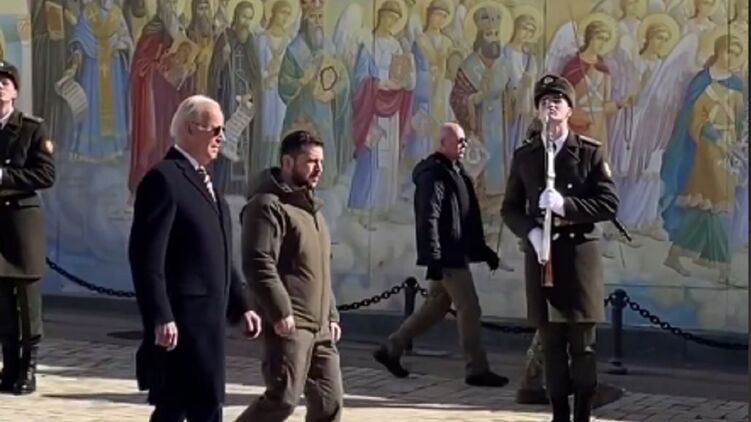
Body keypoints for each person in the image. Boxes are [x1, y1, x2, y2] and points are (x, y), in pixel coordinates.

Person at [128, 95, 262, 422]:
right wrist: (160, 316)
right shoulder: (164, 179)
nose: (222, 137)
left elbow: (218, 253)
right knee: (184, 405)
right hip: (181, 323)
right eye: (215, 129)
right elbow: (146, 258)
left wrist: (241, 305)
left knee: (198, 404)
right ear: (191, 129)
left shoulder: (206, 182)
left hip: (209, 322)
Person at [501, 74, 619, 422]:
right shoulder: (526, 156)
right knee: (551, 343)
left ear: (570, 110)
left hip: (580, 259)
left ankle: (582, 412)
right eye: (543, 101)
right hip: (543, 259)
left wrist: (566, 206)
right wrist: (531, 232)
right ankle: (559, 414)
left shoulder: (589, 152)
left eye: (557, 101)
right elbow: (510, 207)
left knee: (582, 346)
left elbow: (608, 204)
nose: (550, 106)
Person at [372, 122, 508, 388]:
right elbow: (429, 217)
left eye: (464, 141)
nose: (464, 145)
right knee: (469, 307)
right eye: (459, 141)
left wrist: (483, 252)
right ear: (443, 143)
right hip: (447, 256)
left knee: (435, 306)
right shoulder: (434, 174)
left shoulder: (456, 172)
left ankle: (392, 347)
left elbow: (466, 218)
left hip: (455, 252)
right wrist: (434, 257)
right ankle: (477, 368)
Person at [236, 130, 344, 422]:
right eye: (311, 161)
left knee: (329, 403)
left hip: (321, 327)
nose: (319, 169)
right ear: (287, 162)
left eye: (321, 162)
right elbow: (258, 262)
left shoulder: (312, 210)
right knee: (283, 399)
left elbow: (320, 269)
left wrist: (331, 315)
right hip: (290, 323)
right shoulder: (267, 205)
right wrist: (280, 311)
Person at [0, 60, 56, 395]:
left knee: (27, 302)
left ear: (15, 92)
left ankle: (29, 368)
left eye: (4, 82)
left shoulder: (31, 128)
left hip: (21, 224)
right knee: (2, 303)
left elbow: (46, 175)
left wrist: (3, 176)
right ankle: (8, 367)